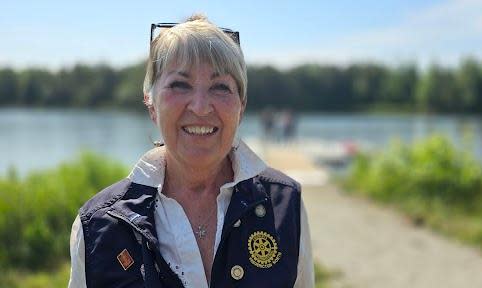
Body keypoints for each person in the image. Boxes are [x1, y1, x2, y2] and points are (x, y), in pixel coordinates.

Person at [68, 14, 314, 288]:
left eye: (220, 87)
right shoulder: (99, 226)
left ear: (241, 107)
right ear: (151, 105)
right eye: (180, 85)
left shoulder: (285, 205)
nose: (200, 107)